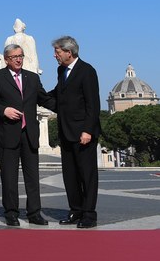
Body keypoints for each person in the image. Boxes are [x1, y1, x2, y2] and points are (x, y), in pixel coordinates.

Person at [0, 44, 55, 226]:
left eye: (21, 56)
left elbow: (44, 99)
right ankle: (11, 213)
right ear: (6, 59)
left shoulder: (32, 78)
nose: (18, 59)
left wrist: (66, 105)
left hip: (29, 134)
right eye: (15, 56)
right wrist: (4, 110)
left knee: (32, 177)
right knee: (9, 177)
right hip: (8, 134)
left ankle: (34, 213)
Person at [50, 35, 100, 229]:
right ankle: (76, 210)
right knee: (69, 175)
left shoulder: (87, 71)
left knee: (86, 175)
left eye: (57, 52)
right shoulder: (61, 70)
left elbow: (93, 104)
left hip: (83, 134)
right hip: (66, 132)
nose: (55, 55)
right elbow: (56, 94)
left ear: (68, 52)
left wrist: (87, 130)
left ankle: (89, 214)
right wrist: (33, 95)